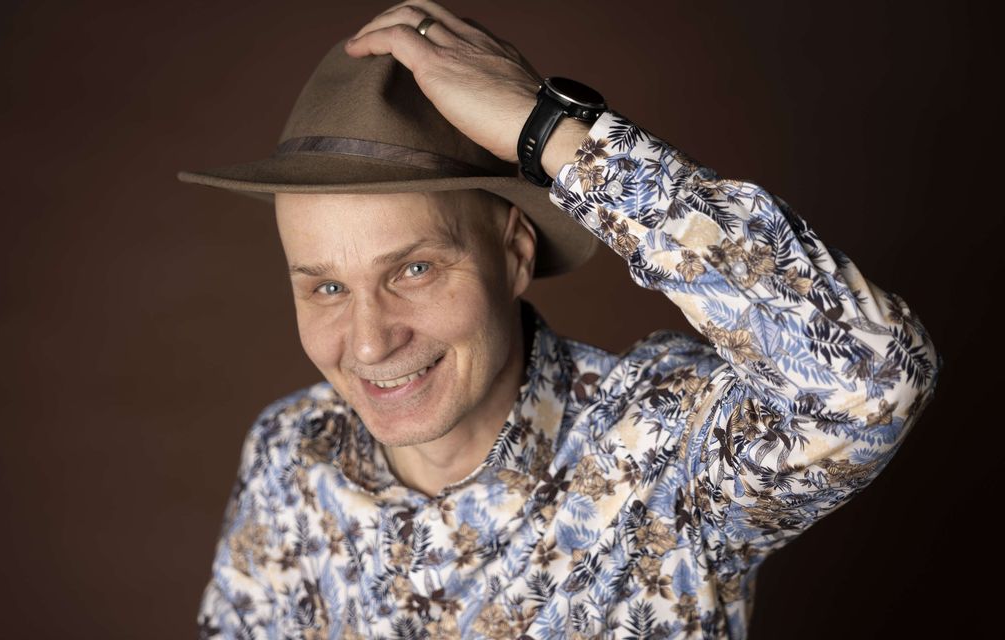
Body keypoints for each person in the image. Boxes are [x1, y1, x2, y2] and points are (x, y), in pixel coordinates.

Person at [178, 2, 941, 638]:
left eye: (414, 270)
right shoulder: (292, 453)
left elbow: (871, 377)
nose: (372, 341)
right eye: (326, 287)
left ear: (515, 253)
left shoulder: (664, 451)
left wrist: (549, 129)